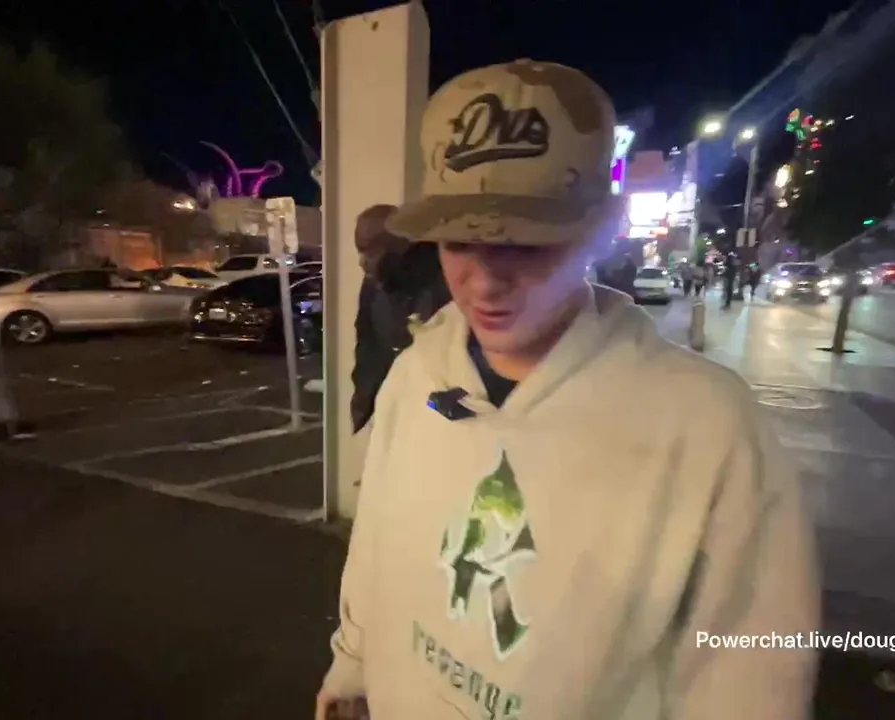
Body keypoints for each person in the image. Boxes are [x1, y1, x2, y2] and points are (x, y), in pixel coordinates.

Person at [318, 59, 818, 720]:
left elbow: (750, 675)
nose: (485, 281)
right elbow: (376, 540)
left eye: (527, 243)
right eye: (459, 240)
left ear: (597, 232)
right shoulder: (417, 374)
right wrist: (352, 666)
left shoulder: (705, 426)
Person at [350, 205, 451, 434]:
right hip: (390, 413)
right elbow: (367, 348)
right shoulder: (373, 286)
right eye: (360, 251)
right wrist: (364, 405)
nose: (362, 262)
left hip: (435, 419)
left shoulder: (442, 281)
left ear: (398, 243)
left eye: (370, 250)